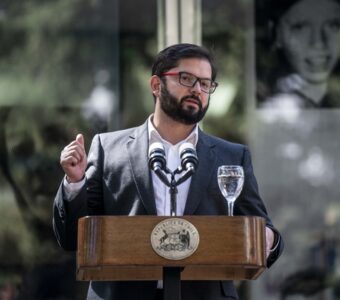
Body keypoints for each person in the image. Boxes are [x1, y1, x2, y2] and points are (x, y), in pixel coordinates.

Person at [53, 43, 284, 300]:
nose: (197, 89)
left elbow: (265, 234)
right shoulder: (108, 148)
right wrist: (75, 182)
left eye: (206, 84)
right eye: (186, 79)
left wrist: (267, 238)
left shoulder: (232, 156)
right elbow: (72, 238)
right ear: (156, 85)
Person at [256, 0, 340, 108]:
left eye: (333, 26)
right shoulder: (268, 104)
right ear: (277, 34)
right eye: (300, 27)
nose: (318, 43)